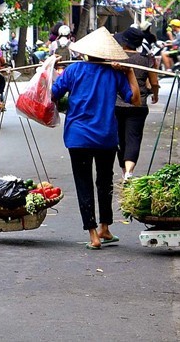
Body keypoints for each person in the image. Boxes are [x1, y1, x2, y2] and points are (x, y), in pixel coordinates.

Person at [51, 26, 140, 250]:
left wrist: (52, 71)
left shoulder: (73, 71)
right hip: (105, 137)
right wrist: (129, 73)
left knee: (84, 183)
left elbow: (53, 94)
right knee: (104, 182)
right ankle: (105, 226)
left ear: (86, 52)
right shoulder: (114, 73)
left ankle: (94, 235)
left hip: (78, 137)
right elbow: (135, 100)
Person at [114, 27, 159, 180]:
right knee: (133, 137)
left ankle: (123, 171)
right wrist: (156, 95)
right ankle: (129, 172)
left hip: (117, 105)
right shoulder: (146, 59)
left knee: (120, 138)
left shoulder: (117, 58)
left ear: (125, 43)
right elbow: (154, 81)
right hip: (138, 105)